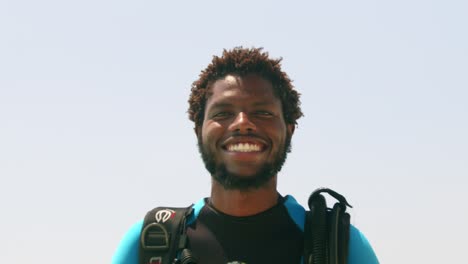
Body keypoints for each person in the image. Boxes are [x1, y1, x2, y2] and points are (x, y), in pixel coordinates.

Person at [112, 47, 379, 264]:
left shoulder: (340, 247)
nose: (242, 123)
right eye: (222, 113)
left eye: (262, 112)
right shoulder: (150, 244)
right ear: (198, 130)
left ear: (289, 130)